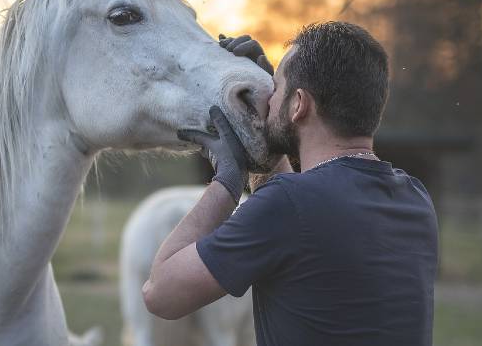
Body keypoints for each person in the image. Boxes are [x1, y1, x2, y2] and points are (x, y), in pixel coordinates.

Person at [141, 21, 439, 346]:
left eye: (277, 87)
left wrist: (227, 180)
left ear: (299, 105)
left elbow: (160, 293)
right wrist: (263, 132)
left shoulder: (288, 206)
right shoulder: (415, 199)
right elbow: (304, 221)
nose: (269, 99)